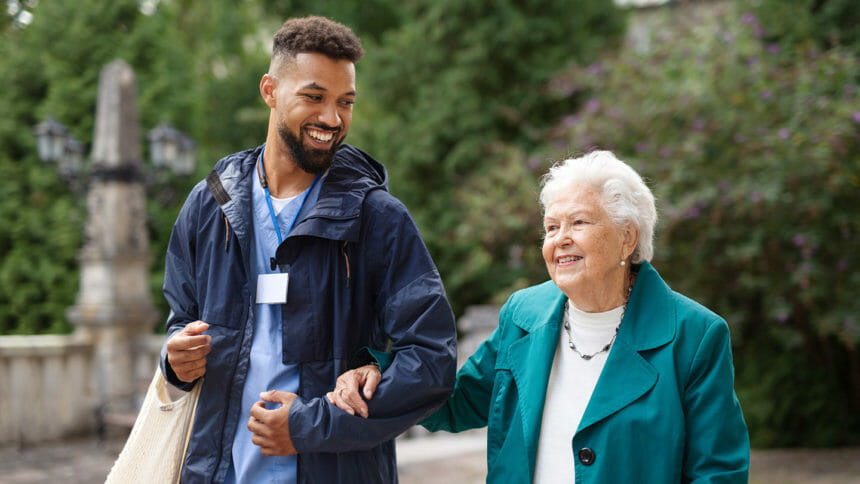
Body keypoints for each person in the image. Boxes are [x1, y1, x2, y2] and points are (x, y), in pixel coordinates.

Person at [330, 150, 750, 482]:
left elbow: (718, 474)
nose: (559, 240)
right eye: (551, 228)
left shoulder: (695, 336)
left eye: (578, 222)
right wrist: (379, 371)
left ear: (627, 239)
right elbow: (453, 400)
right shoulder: (524, 314)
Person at [160, 16, 457, 483]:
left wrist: (312, 425)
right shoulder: (209, 204)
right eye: (314, 97)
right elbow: (181, 320)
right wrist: (174, 358)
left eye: (346, 102)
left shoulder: (379, 218)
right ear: (270, 91)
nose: (332, 119)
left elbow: (432, 360)